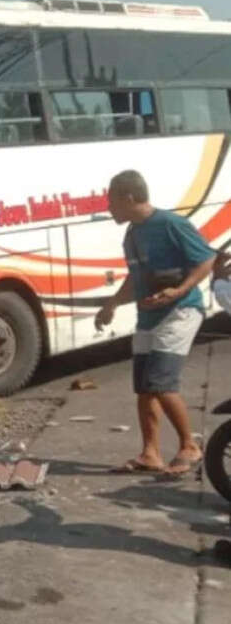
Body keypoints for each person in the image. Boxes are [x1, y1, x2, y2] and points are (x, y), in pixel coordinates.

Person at [95, 169, 214, 474]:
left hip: (180, 312)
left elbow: (206, 259)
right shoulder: (132, 234)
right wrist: (111, 304)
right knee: (144, 386)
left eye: (112, 202)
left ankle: (190, 446)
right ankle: (151, 454)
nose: (108, 209)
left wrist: (179, 290)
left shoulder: (171, 224)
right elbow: (134, 280)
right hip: (147, 316)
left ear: (129, 198)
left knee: (161, 381)